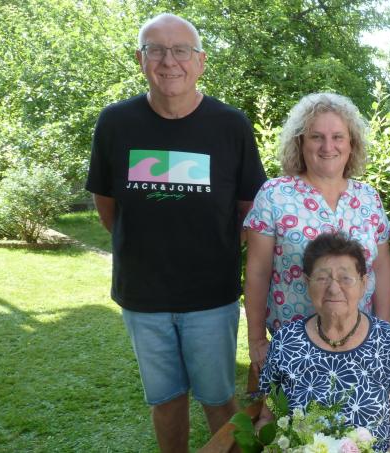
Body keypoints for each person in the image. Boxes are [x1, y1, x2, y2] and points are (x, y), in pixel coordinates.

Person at [85, 13, 266, 452]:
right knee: (166, 401)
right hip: (143, 297)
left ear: (200, 61)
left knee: (218, 401)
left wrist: (208, 251)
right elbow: (108, 206)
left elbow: (249, 210)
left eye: (181, 50)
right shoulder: (115, 123)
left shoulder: (230, 125)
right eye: (156, 50)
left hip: (211, 296)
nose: (170, 61)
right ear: (140, 59)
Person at [244, 92, 390, 375]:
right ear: (300, 142)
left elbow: (382, 267)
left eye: (338, 137)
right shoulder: (275, 194)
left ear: (352, 144)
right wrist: (255, 339)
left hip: (359, 341)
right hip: (293, 345)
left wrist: (382, 331)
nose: (328, 146)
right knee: (295, 418)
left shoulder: (368, 197)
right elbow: (257, 272)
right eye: (316, 137)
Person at [257, 232, 390, 452]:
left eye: (345, 278)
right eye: (322, 278)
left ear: (363, 283)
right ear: (307, 282)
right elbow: (267, 420)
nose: (334, 288)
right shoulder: (286, 341)